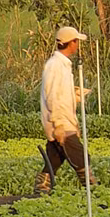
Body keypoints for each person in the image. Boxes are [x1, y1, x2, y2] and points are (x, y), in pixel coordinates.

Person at [33, 26, 96, 194]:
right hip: (60, 122)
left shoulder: (62, 65)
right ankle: (94, 194)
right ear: (71, 43)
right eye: (76, 41)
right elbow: (52, 96)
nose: (78, 45)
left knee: (54, 160)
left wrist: (73, 94)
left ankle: (41, 190)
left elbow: (58, 93)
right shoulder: (55, 66)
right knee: (81, 159)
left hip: (62, 120)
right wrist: (59, 125)